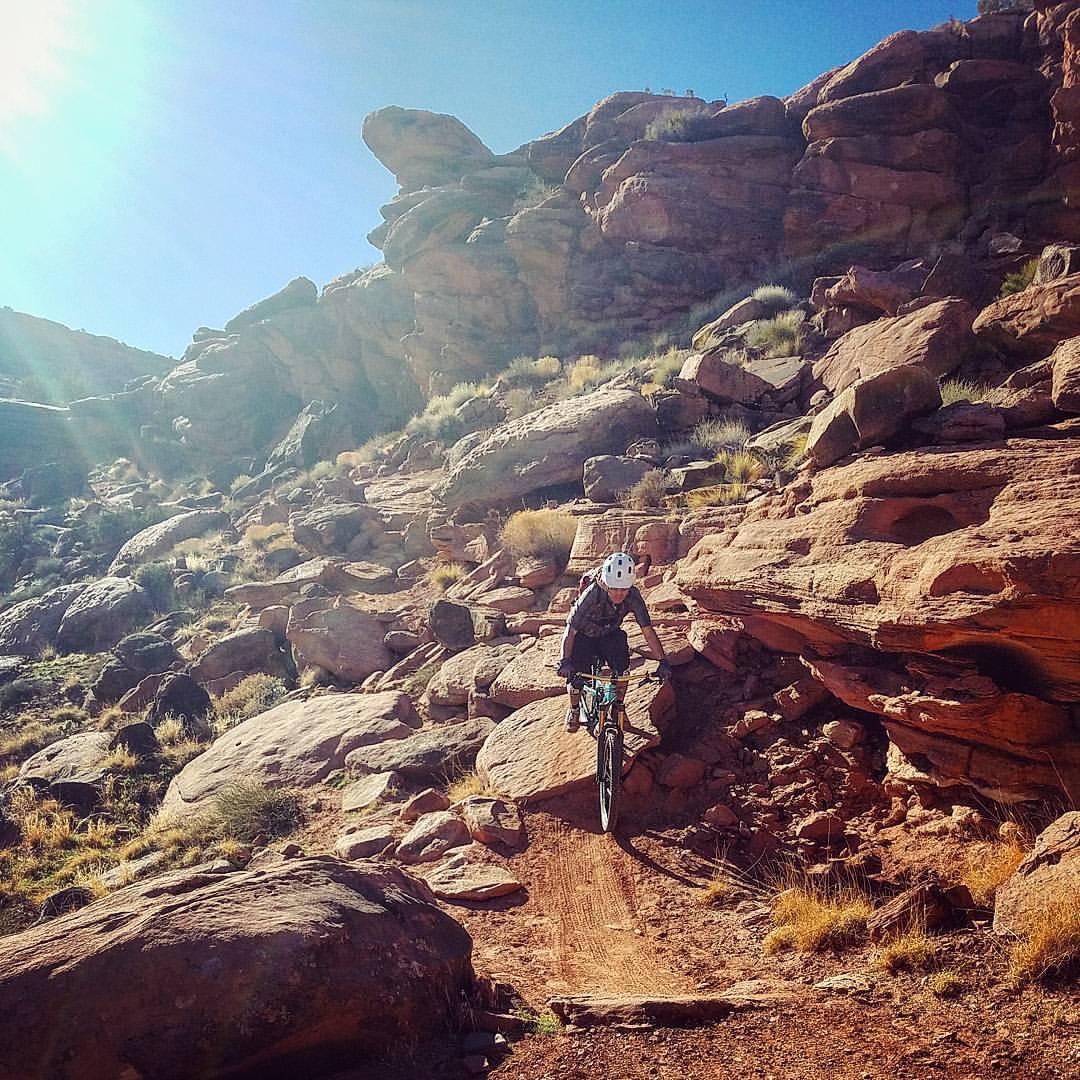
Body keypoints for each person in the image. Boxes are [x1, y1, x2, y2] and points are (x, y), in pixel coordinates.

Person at [556, 551, 672, 732]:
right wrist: (565, 661)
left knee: (623, 669)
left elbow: (647, 631)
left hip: (610, 633)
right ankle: (574, 708)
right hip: (584, 634)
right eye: (614, 589)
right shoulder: (593, 593)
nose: (619, 594)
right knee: (577, 675)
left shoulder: (633, 596)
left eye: (623, 589)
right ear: (605, 584)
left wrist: (663, 661)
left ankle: (618, 706)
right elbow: (570, 630)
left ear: (630, 586)